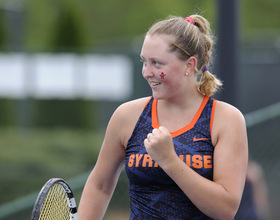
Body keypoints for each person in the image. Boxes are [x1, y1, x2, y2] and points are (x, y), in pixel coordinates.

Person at [78, 14, 248, 220]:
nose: (147, 72)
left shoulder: (226, 119)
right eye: (144, 62)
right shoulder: (127, 116)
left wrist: (169, 161)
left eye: (157, 63)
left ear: (189, 65)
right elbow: (100, 185)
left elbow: (225, 209)